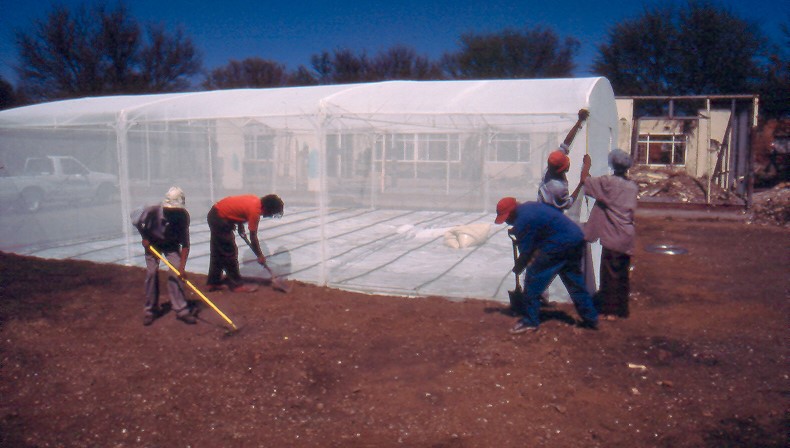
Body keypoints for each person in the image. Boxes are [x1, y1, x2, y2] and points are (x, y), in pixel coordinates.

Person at [494, 197, 598, 334]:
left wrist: (519, 266)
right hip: (575, 237)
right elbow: (540, 227)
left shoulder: (522, 221)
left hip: (560, 244)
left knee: (533, 278)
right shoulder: (528, 207)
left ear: (512, 212)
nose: (506, 221)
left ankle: (530, 321)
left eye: (506, 218)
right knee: (574, 280)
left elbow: (527, 251)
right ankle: (590, 318)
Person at [581, 149, 638, 320]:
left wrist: (586, 165)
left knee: (609, 274)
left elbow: (586, 182)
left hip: (613, 234)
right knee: (621, 273)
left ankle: (610, 312)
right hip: (627, 235)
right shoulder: (632, 186)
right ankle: (621, 308)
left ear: (612, 164)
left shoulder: (608, 183)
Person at [132, 186, 196, 326]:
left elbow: (185, 244)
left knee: (176, 272)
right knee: (151, 273)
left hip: (171, 244)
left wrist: (182, 268)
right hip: (152, 243)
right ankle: (151, 310)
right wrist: (144, 237)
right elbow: (136, 221)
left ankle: (181, 310)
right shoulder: (151, 210)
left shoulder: (183, 216)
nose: (173, 213)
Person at [206, 194, 284, 292]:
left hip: (215, 214)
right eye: (271, 212)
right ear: (268, 208)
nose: (269, 215)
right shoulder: (255, 212)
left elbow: (239, 210)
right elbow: (253, 237)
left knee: (218, 253)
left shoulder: (255, 201)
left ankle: (213, 283)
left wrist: (240, 226)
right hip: (220, 218)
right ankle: (237, 285)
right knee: (229, 253)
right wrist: (260, 255)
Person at [537, 109, 590, 211]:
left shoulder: (551, 167)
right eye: (567, 164)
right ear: (563, 169)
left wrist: (579, 122)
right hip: (549, 219)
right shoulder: (558, 187)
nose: (569, 163)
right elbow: (568, 203)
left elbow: (566, 143)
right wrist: (580, 183)